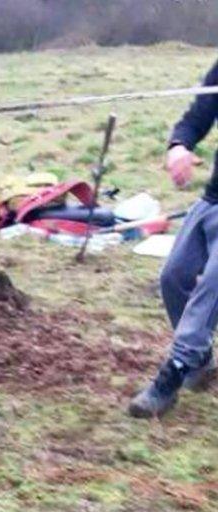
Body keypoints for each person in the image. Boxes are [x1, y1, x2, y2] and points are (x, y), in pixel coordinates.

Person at [128, 59, 218, 417]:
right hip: (213, 198)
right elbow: (197, 116)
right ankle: (201, 359)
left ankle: (173, 374)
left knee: (212, 284)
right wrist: (179, 146)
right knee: (173, 277)